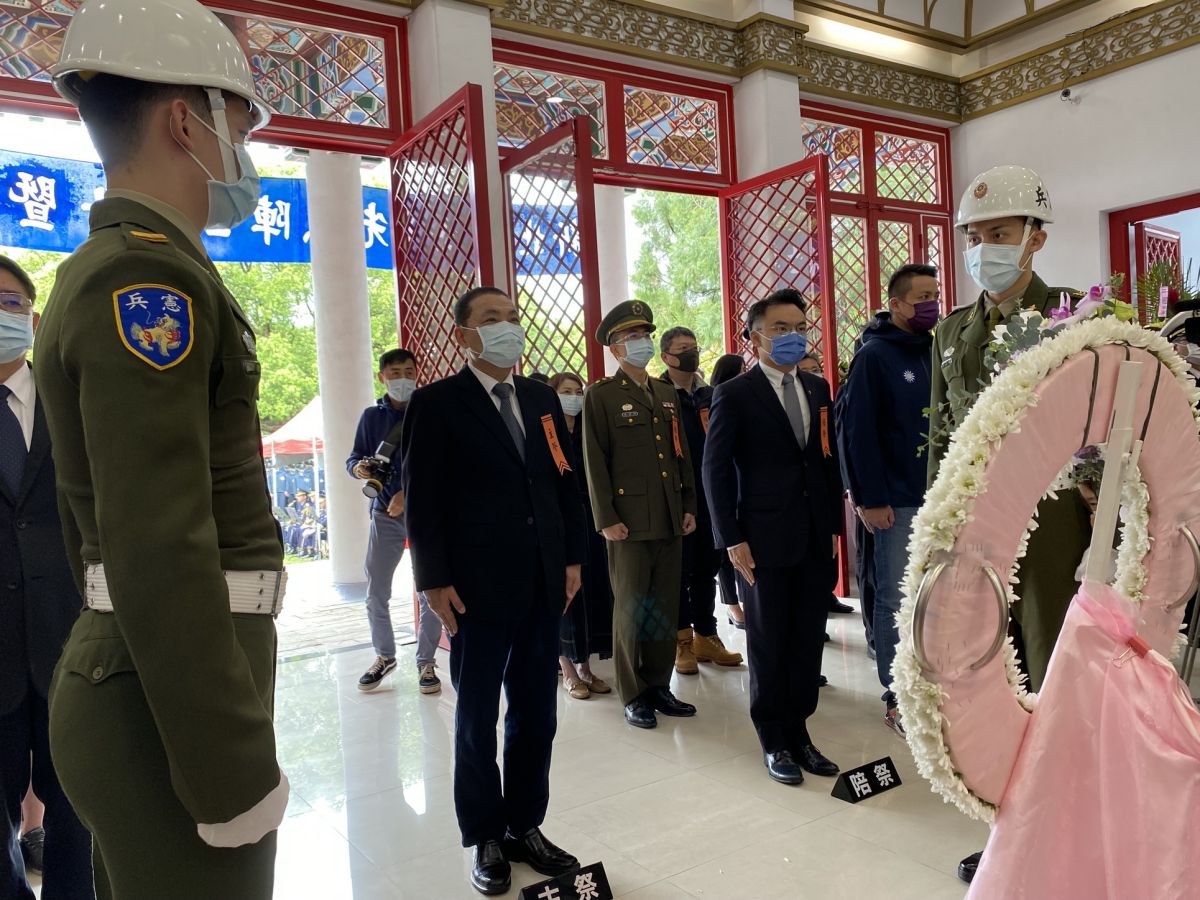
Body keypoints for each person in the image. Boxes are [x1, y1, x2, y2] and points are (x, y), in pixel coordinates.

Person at [35, 2, 290, 895]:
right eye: (242, 124)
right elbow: (156, 543)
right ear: (188, 118)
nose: (246, 155)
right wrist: (231, 775)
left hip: (142, 678)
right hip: (163, 702)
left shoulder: (125, 266)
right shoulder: (148, 278)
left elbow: (96, 526)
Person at [928, 165, 1089, 886]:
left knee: (1053, 655)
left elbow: (1108, 422)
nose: (983, 247)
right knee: (989, 666)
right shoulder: (952, 330)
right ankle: (1007, 821)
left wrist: (1096, 501)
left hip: (1055, 517)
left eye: (998, 233)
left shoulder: (1078, 313)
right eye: (974, 236)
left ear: (1035, 238)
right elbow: (940, 434)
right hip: (979, 515)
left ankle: (1065, 814)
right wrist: (941, 514)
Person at [401, 287, 586, 896]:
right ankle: (484, 832)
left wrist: (572, 559)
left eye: (511, 318)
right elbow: (423, 501)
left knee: (538, 710)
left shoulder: (538, 398)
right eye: (490, 320)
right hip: (474, 588)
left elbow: (564, 484)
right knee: (478, 716)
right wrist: (432, 579)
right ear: (464, 335)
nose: (506, 328)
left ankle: (526, 823)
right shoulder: (437, 404)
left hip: (541, 581)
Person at [703, 289, 844, 786]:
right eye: (780, 328)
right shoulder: (735, 394)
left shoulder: (818, 388)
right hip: (760, 538)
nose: (792, 336)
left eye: (799, 326)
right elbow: (715, 470)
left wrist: (832, 528)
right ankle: (773, 738)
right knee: (768, 638)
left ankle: (801, 731)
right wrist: (730, 538)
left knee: (807, 636)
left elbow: (825, 460)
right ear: (754, 335)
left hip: (811, 535)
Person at [0, 255, 95, 900]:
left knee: (78, 808)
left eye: (8, 302)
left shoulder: (80, 404)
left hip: (73, 640)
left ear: (32, 318)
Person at [582, 300, 699, 730]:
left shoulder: (665, 393)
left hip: (670, 516)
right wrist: (605, 518)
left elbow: (679, 453)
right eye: (631, 337)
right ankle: (633, 693)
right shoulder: (601, 395)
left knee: (664, 605)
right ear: (614, 348)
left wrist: (688, 505)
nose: (641, 343)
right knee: (631, 607)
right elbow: (595, 463)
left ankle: (658, 684)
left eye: (644, 334)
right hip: (627, 523)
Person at [837, 263, 940, 736]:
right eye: (920, 297)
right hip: (895, 500)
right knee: (897, 595)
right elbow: (857, 432)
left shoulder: (939, 348)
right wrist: (869, 497)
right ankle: (896, 694)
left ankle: (933, 683)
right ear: (895, 304)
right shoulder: (874, 356)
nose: (929, 305)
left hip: (943, 496)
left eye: (933, 296)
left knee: (936, 595)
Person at [347, 348, 443, 694]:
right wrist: (359, 469)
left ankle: (426, 662)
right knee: (376, 591)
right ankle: (384, 656)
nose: (402, 378)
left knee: (430, 588)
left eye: (408, 371)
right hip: (383, 516)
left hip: (425, 515)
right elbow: (355, 457)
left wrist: (407, 492)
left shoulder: (430, 412)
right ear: (382, 377)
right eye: (395, 372)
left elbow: (440, 464)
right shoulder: (371, 417)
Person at [658, 327, 742, 673]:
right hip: (674, 495)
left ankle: (707, 636)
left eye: (694, 347)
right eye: (682, 349)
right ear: (666, 356)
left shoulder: (710, 394)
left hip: (711, 493)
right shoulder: (657, 393)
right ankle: (681, 642)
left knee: (707, 567)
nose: (690, 354)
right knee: (679, 570)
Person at [550, 372, 614, 700]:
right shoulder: (546, 433)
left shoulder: (588, 431)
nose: (574, 397)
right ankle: (567, 669)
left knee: (593, 594)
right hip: (559, 524)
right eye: (566, 391)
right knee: (567, 595)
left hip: (591, 521)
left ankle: (586, 665)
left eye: (578, 391)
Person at [709, 353, 748, 628]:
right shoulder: (719, 397)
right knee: (725, 550)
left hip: (744, 486)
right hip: (725, 486)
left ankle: (742, 602)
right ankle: (732, 605)